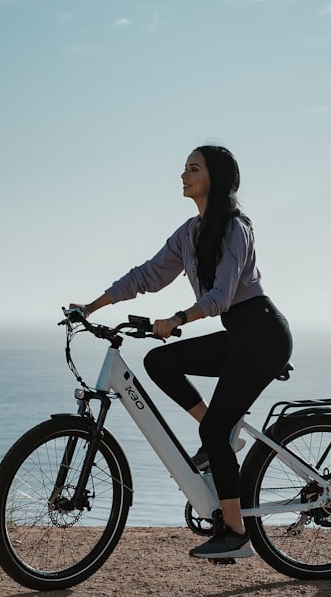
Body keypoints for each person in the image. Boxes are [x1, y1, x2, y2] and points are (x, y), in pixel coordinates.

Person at [71, 145, 294, 560]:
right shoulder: (190, 233)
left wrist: (177, 319)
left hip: (263, 336)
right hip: (239, 336)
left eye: (194, 168)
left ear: (217, 178)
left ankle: (235, 533)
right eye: (184, 168)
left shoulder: (235, 229)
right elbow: (147, 275)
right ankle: (218, 432)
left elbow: (222, 297)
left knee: (212, 433)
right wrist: (91, 306)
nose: (183, 175)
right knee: (160, 362)